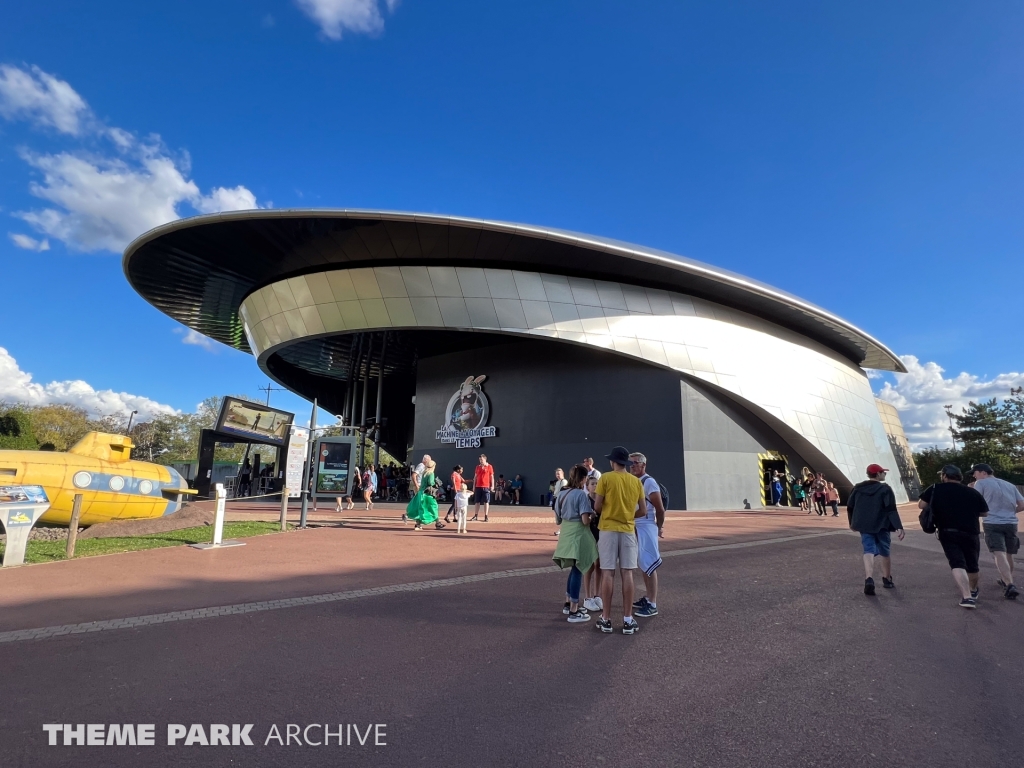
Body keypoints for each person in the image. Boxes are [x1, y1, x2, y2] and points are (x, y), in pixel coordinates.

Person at [919, 465, 989, 608]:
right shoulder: (972, 492)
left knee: (957, 563)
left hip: (947, 530)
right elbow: (984, 513)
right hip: (971, 532)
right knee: (972, 565)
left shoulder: (934, 489)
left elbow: (921, 505)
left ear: (944, 476)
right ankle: (974, 590)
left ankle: (967, 597)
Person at [594, 446, 646, 635]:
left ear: (612, 462)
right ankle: (627, 619)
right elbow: (643, 510)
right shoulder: (635, 481)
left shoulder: (606, 478)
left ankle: (606, 618)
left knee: (607, 573)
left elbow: (598, 506)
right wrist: (628, 516)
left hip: (608, 529)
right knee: (628, 573)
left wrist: (609, 512)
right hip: (627, 529)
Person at [847, 463, 905, 596]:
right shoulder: (885, 489)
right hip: (882, 524)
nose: (885, 474)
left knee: (868, 550)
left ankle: (869, 578)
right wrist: (898, 526)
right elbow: (891, 509)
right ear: (878, 474)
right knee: (885, 550)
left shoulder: (857, 488)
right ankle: (887, 579)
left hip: (864, 525)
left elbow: (850, 506)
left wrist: (852, 522)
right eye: (883, 472)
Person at [552, 464, 599, 623]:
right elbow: (585, 520)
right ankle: (573, 609)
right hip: (578, 534)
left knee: (573, 569)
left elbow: (557, 519)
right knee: (579, 569)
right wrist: (593, 516)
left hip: (566, 532)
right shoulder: (580, 495)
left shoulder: (562, 493)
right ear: (583, 479)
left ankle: (568, 603)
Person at [970, 463, 1024, 599]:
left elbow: (975, 502)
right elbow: (1022, 504)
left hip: (992, 522)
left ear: (983, 472)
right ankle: (1006, 579)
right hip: (1011, 523)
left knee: (999, 553)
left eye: (975, 473)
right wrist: (1011, 512)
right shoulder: (1009, 485)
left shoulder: (980, 483)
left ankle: (1009, 584)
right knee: (1009, 554)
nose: (973, 475)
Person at [629, 452, 665, 618]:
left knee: (648, 561)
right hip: (637, 524)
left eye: (635, 463)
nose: (632, 466)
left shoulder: (649, 482)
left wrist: (658, 527)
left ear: (643, 465)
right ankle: (648, 598)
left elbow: (659, 508)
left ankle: (652, 603)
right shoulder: (634, 480)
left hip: (646, 524)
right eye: (631, 464)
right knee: (643, 563)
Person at [582, 474, 603, 614]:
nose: (595, 486)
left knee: (599, 565)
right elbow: (583, 519)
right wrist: (591, 516)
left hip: (601, 534)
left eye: (597, 483)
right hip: (589, 534)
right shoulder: (585, 500)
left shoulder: (602, 500)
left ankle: (597, 595)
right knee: (589, 566)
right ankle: (587, 597)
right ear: (587, 486)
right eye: (592, 484)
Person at [406, 455, 445, 531]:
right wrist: (436, 483)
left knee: (421, 508)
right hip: (428, 494)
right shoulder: (431, 473)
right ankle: (437, 523)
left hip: (421, 492)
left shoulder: (424, 473)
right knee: (433, 507)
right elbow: (430, 482)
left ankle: (418, 524)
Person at [471, 454, 495, 522]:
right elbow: (475, 477)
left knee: (486, 501)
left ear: (485, 459)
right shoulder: (477, 467)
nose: (481, 461)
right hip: (478, 486)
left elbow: (491, 477)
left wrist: (492, 486)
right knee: (477, 502)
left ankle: (486, 516)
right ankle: (476, 515)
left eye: (482, 460)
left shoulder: (489, 466)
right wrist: (473, 486)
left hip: (486, 486)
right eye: (480, 460)